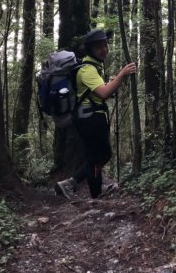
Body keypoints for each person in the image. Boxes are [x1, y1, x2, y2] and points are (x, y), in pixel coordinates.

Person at [55, 29, 136, 200]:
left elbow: (99, 90)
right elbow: (104, 93)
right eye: (99, 47)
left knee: (95, 157)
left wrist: (114, 80)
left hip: (90, 116)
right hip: (90, 118)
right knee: (101, 155)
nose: (104, 49)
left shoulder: (92, 67)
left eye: (105, 45)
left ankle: (96, 194)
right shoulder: (88, 70)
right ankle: (70, 183)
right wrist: (122, 74)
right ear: (90, 50)